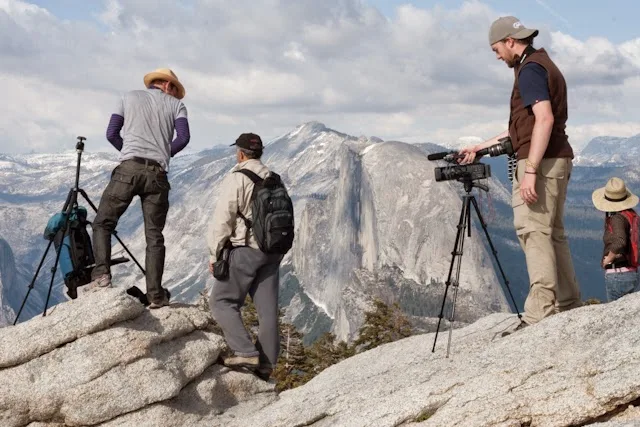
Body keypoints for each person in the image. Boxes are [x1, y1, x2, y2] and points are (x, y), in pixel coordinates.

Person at [459, 16, 581, 330]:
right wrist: (480, 148)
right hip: (557, 159)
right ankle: (568, 303)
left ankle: (539, 312)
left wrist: (530, 171)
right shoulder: (540, 64)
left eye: (497, 50)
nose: (498, 56)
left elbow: (543, 120)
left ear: (510, 42)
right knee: (553, 234)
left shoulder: (529, 71)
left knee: (533, 232)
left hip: (541, 164)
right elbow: (521, 129)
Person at [87, 68, 190, 309]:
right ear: (165, 84)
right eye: (175, 88)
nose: (176, 94)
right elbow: (183, 138)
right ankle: (155, 295)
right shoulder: (177, 107)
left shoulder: (127, 97)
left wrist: (129, 153)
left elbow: (111, 133)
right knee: (154, 236)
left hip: (128, 170)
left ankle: (101, 276)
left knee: (103, 223)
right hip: (157, 174)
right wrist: (164, 154)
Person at [207, 133, 284, 381]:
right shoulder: (274, 178)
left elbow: (223, 219)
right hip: (272, 251)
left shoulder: (238, 178)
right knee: (267, 311)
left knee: (222, 302)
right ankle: (267, 363)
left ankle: (245, 352)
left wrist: (215, 253)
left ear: (240, 154)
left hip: (246, 251)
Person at [592, 177, 640, 301]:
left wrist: (609, 258)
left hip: (617, 275)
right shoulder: (631, 215)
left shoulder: (617, 218)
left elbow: (620, 241)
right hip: (632, 273)